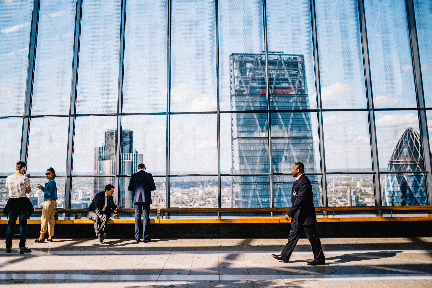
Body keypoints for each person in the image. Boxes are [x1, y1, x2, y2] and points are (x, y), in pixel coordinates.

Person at [272, 162, 325, 265]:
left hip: (305, 216)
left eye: (293, 169)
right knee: (293, 236)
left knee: (312, 237)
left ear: (298, 170)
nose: (291, 171)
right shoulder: (299, 181)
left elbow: (300, 199)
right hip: (299, 216)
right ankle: (284, 256)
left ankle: (319, 258)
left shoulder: (304, 181)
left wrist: (290, 213)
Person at [4, 161, 33, 254]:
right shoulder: (24, 178)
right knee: (22, 226)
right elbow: (28, 191)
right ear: (23, 168)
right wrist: (28, 181)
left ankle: (8, 247)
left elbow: (9, 189)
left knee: (10, 225)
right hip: (22, 202)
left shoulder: (8, 178)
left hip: (12, 202)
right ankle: (22, 247)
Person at [128, 163, 156, 243]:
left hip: (137, 199)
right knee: (146, 217)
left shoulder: (134, 176)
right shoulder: (149, 175)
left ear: (138, 168)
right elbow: (153, 187)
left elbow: (130, 188)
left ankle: (137, 237)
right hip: (146, 198)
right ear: (145, 168)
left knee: (137, 217)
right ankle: (145, 237)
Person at [35, 167, 58, 243]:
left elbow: (49, 192)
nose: (46, 175)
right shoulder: (53, 182)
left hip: (48, 202)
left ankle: (41, 237)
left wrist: (42, 188)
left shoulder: (51, 182)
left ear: (52, 174)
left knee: (44, 219)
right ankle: (50, 236)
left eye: (48, 173)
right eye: (46, 173)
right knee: (51, 219)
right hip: (53, 202)